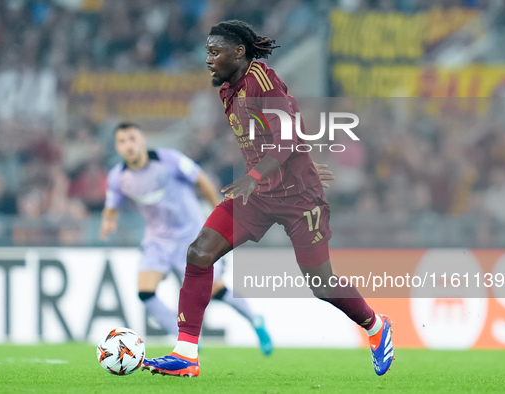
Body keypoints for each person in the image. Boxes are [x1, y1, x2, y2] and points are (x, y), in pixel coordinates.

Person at [141, 20, 394, 377]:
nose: (209, 59)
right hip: (259, 195)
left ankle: (376, 327)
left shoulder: (263, 82)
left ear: (238, 51)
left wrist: (264, 174)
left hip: (297, 199)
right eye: (207, 52)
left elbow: (287, 137)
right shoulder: (229, 89)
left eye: (215, 51)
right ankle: (186, 354)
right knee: (199, 252)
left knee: (321, 284)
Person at [100, 122, 273, 355]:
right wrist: (108, 221)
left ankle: (256, 321)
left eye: (132, 139)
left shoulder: (168, 160)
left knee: (214, 291)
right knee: (145, 292)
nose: (128, 145)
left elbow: (200, 178)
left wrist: (218, 209)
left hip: (190, 236)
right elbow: (112, 205)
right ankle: (187, 340)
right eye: (122, 141)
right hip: (157, 240)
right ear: (117, 147)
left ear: (142, 141)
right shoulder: (117, 176)